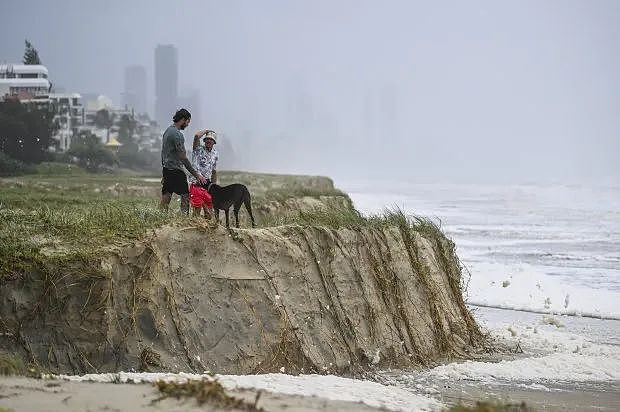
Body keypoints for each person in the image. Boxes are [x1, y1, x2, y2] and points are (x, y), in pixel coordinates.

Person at [160, 108, 207, 214]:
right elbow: (183, 157)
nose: (188, 124)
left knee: (167, 194)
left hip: (167, 169)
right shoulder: (177, 135)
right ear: (183, 119)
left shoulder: (167, 131)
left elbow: (163, 153)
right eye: (188, 121)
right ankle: (183, 219)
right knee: (185, 194)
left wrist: (164, 173)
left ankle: (160, 217)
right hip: (176, 170)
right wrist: (196, 175)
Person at [189, 129, 219, 218]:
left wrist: (214, 186)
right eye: (207, 139)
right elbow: (196, 136)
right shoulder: (198, 149)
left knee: (209, 212)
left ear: (214, 142)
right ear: (204, 140)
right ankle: (194, 227)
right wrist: (207, 131)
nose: (209, 141)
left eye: (211, 139)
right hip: (196, 183)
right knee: (197, 210)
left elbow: (214, 171)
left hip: (207, 184)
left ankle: (206, 229)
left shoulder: (215, 153)